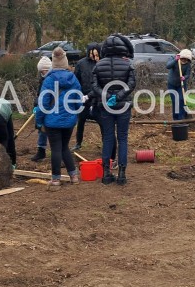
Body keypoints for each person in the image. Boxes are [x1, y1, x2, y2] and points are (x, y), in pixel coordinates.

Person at [92, 33, 137, 185]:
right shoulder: (128, 64)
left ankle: (106, 173)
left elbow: (94, 86)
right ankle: (122, 174)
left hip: (105, 107)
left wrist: (106, 96)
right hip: (123, 106)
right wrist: (118, 96)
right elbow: (131, 84)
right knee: (123, 138)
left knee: (108, 138)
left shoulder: (98, 65)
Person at [36, 47, 82, 189]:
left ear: (53, 63)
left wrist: (39, 121)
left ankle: (55, 180)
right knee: (64, 147)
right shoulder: (73, 78)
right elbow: (79, 100)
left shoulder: (49, 80)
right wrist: (73, 113)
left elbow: (43, 103)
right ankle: (73, 176)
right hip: (69, 120)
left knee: (56, 148)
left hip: (52, 121)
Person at [72, 43, 101, 150]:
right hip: (84, 97)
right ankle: (78, 143)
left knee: (102, 122)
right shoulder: (81, 63)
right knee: (81, 121)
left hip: (97, 97)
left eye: (94, 54)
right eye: (90, 53)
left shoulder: (100, 63)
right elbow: (76, 79)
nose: (92, 56)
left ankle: (105, 143)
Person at [30, 56, 52, 161]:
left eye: (42, 71)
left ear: (46, 69)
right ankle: (41, 151)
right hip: (42, 107)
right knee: (41, 129)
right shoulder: (42, 79)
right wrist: (36, 105)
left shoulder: (52, 79)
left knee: (52, 131)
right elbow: (39, 95)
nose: (41, 74)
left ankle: (58, 154)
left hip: (51, 108)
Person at [166, 48, 193, 121]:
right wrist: (175, 60)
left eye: (186, 59)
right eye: (183, 58)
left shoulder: (187, 65)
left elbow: (188, 74)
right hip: (172, 84)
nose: (184, 60)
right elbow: (168, 66)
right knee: (175, 101)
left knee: (181, 100)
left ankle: (181, 118)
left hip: (181, 85)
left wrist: (184, 77)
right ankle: (175, 119)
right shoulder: (173, 59)